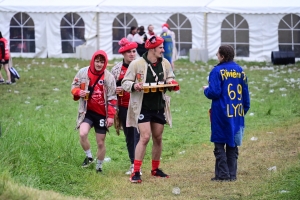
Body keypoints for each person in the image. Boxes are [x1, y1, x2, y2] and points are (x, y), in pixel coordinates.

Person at [122, 35, 180, 183]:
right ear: (153, 49)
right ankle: (135, 172)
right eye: (160, 47)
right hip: (142, 107)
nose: (163, 49)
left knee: (158, 137)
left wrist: (171, 83)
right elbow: (125, 83)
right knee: (145, 137)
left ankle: (155, 169)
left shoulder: (165, 63)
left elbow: (170, 77)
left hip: (159, 106)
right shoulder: (137, 64)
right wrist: (134, 86)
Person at [203, 45, 250, 182]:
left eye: (218, 54)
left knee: (219, 143)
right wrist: (243, 110)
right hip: (236, 112)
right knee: (232, 143)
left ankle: (222, 175)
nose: (217, 56)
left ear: (222, 56)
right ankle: (232, 174)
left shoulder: (217, 71)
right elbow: (245, 95)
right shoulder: (241, 71)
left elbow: (214, 92)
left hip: (221, 112)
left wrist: (206, 90)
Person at [71, 50, 117, 173]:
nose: (99, 64)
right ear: (93, 61)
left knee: (100, 143)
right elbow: (74, 85)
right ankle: (89, 157)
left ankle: (99, 167)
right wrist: (77, 92)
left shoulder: (109, 77)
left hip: (102, 114)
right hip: (88, 112)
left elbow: (112, 97)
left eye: (102, 62)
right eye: (97, 61)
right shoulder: (83, 72)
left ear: (105, 63)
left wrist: (111, 116)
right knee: (82, 133)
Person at [111, 38, 140, 175]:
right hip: (123, 107)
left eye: (134, 51)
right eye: (129, 52)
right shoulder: (116, 69)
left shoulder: (141, 66)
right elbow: (110, 88)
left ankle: (137, 165)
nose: (132, 54)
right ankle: (132, 163)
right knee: (129, 136)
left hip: (138, 106)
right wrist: (114, 90)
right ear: (123, 54)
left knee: (138, 135)